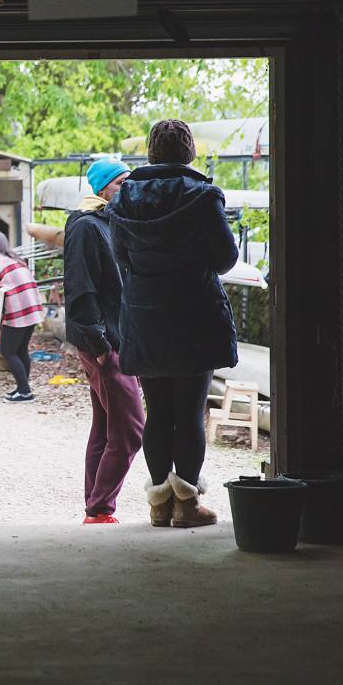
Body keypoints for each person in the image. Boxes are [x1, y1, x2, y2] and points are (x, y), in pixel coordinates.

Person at [104, 119, 239, 528]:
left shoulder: (124, 199)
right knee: (190, 411)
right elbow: (225, 258)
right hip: (194, 314)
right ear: (189, 152)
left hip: (145, 317)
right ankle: (188, 504)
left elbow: (121, 257)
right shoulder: (202, 197)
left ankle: (159, 504)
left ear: (150, 152)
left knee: (158, 411)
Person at [63, 159, 145, 524]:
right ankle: (100, 507)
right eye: (120, 184)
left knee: (105, 425)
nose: (127, 189)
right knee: (130, 428)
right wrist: (99, 347)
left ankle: (94, 508)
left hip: (116, 340)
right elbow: (80, 290)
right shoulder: (86, 226)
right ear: (101, 189)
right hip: (103, 344)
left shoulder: (114, 223)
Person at [0, 230, 45, 402]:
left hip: (17, 311)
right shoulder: (18, 260)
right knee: (21, 349)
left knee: (7, 351)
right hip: (33, 308)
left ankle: (25, 392)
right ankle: (23, 388)